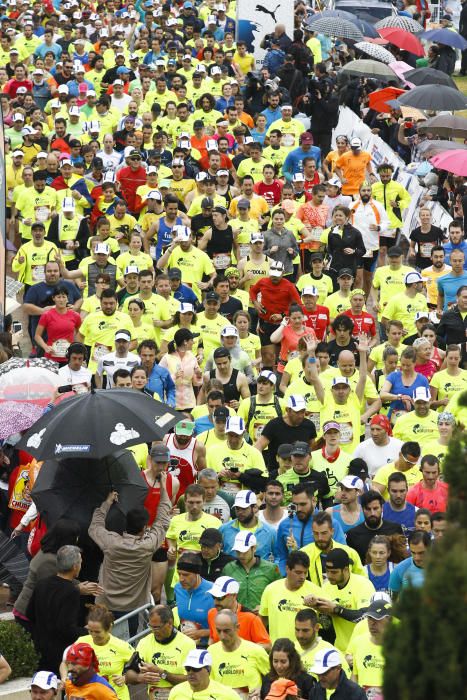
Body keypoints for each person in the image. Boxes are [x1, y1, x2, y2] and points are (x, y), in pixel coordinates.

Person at [88, 476, 171, 635]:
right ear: (144, 528)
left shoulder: (111, 542)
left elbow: (95, 526)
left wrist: (107, 503)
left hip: (106, 605)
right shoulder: (148, 545)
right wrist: (163, 488)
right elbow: (162, 519)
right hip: (133, 609)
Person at [26, 545, 86, 674]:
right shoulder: (71, 591)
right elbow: (66, 628)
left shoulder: (42, 584)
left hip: (40, 647)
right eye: (80, 562)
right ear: (75, 566)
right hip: (59, 653)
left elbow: (29, 614)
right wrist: (85, 632)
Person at [308, 548, 375, 652]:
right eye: (327, 571)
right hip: (340, 649)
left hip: (362, 649)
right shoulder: (327, 587)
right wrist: (318, 608)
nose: (329, 576)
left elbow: (366, 616)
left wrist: (337, 609)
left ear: (346, 570)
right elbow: (326, 626)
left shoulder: (363, 584)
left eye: (334, 572)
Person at [276, 483, 346, 576]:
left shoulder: (331, 524)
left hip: (324, 579)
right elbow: (281, 557)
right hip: (294, 580)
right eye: (295, 504)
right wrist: (285, 575)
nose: (299, 509)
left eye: (303, 504)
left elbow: (342, 554)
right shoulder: (285, 525)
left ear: (314, 500)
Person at [125, 604, 195, 695]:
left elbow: (191, 680)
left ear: (169, 623)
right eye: (151, 626)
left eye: (157, 627)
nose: (153, 631)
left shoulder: (187, 644)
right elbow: (129, 674)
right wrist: (140, 677)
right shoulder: (144, 642)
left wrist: (161, 673)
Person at [69, 604, 134, 700]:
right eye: (90, 631)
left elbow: (139, 666)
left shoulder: (122, 646)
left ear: (109, 628)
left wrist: (125, 678)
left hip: (116, 696)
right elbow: (65, 662)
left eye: (97, 632)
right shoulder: (81, 642)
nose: (93, 635)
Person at [259, 551, 322, 643]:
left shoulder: (316, 591)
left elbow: (328, 623)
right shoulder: (271, 589)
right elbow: (262, 621)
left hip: (306, 653)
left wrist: (318, 605)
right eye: (298, 572)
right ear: (287, 569)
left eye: (305, 573)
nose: (303, 577)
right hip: (279, 652)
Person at [256, 395, 317, 476]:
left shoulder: (309, 425)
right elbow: (258, 447)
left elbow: (313, 449)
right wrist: (262, 468)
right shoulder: (274, 425)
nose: (300, 415)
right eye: (297, 412)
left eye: (302, 412)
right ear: (287, 410)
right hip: (277, 474)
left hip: (300, 474)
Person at [300, 512, 365, 587]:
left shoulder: (349, 553)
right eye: (316, 533)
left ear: (332, 531)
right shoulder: (304, 554)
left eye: (324, 533)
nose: (320, 538)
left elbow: (363, 581)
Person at [222, 531, 282, 612]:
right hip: (238, 620)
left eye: (245, 551)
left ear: (254, 548)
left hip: (262, 620)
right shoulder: (228, 569)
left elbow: (280, 594)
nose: (241, 555)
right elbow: (223, 596)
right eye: (238, 552)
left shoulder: (270, 569)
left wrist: (265, 607)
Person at [207, 575, 271, 647]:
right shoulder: (212, 613)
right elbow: (212, 638)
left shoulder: (251, 618)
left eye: (220, 597)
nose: (216, 602)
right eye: (214, 597)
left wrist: (242, 652)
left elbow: (267, 644)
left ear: (234, 596)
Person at [348, 600, 393, 696]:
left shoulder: (400, 647)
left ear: (389, 620)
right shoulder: (358, 642)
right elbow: (355, 676)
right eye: (369, 618)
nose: (372, 623)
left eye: (377, 618)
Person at [346, 490, 403, 563]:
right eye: (368, 509)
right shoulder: (353, 535)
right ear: (362, 509)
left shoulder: (395, 529)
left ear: (382, 508)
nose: (372, 513)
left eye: (375, 508)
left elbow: (401, 559)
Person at [220, 490, 276, 561]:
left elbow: (279, 556)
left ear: (255, 508)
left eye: (244, 508)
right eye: (237, 508)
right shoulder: (224, 529)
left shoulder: (270, 532)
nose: (240, 512)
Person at [166, 483, 221, 557]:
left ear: (204, 501)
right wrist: (171, 548)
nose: (194, 506)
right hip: (181, 567)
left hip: (203, 567)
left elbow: (219, 549)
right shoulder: (175, 520)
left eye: (198, 502)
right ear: (185, 501)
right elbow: (170, 537)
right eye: (191, 502)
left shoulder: (215, 523)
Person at [167, 648, 239, 700]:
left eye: (196, 668)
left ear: (208, 670)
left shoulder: (227, 694)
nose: (191, 673)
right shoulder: (177, 691)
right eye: (188, 668)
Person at [174, 553, 214, 645]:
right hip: (185, 646)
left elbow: (227, 628)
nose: (181, 579)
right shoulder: (178, 588)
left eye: (185, 575)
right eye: (179, 574)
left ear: (197, 573)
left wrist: (201, 633)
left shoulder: (213, 591)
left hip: (208, 646)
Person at [389, 530, 431, 598]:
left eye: (421, 553)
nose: (417, 558)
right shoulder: (399, 570)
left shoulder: (443, 567)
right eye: (413, 553)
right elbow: (393, 601)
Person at [436, 285, 467, 369]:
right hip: (453, 359)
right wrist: (446, 350)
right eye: (465, 297)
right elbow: (438, 335)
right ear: (457, 297)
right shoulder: (448, 315)